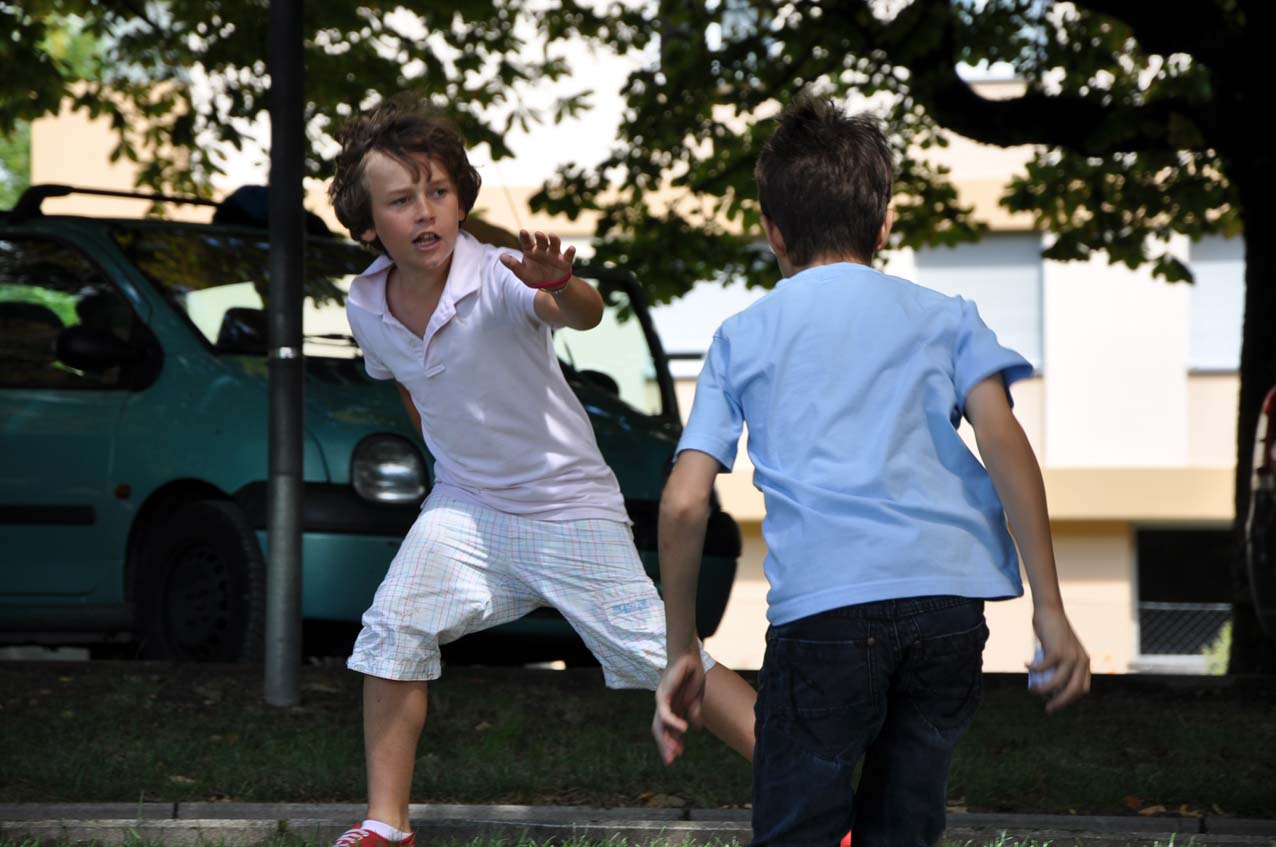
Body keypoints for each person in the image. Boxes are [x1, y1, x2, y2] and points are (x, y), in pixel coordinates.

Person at [652, 95, 1091, 847]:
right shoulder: (949, 317)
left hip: (824, 618)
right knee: (904, 826)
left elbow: (685, 503)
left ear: (771, 230)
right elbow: (1005, 443)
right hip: (948, 611)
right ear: (884, 224)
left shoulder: (740, 337)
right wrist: (1049, 606)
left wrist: (682, 647)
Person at [325, 95, 757, 847]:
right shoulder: (367, 304)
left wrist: (559, 283)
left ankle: (820, 804)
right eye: (401, 200)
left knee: (666, 653)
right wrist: (452, 464)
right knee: (392, 628)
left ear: (461, 201)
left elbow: (582, 313)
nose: (425, 211)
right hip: (465, 508)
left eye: (439, 191)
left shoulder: (499, 276)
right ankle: (385, 826)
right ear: (368, 227)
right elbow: (409, 382)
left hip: (568, 509)